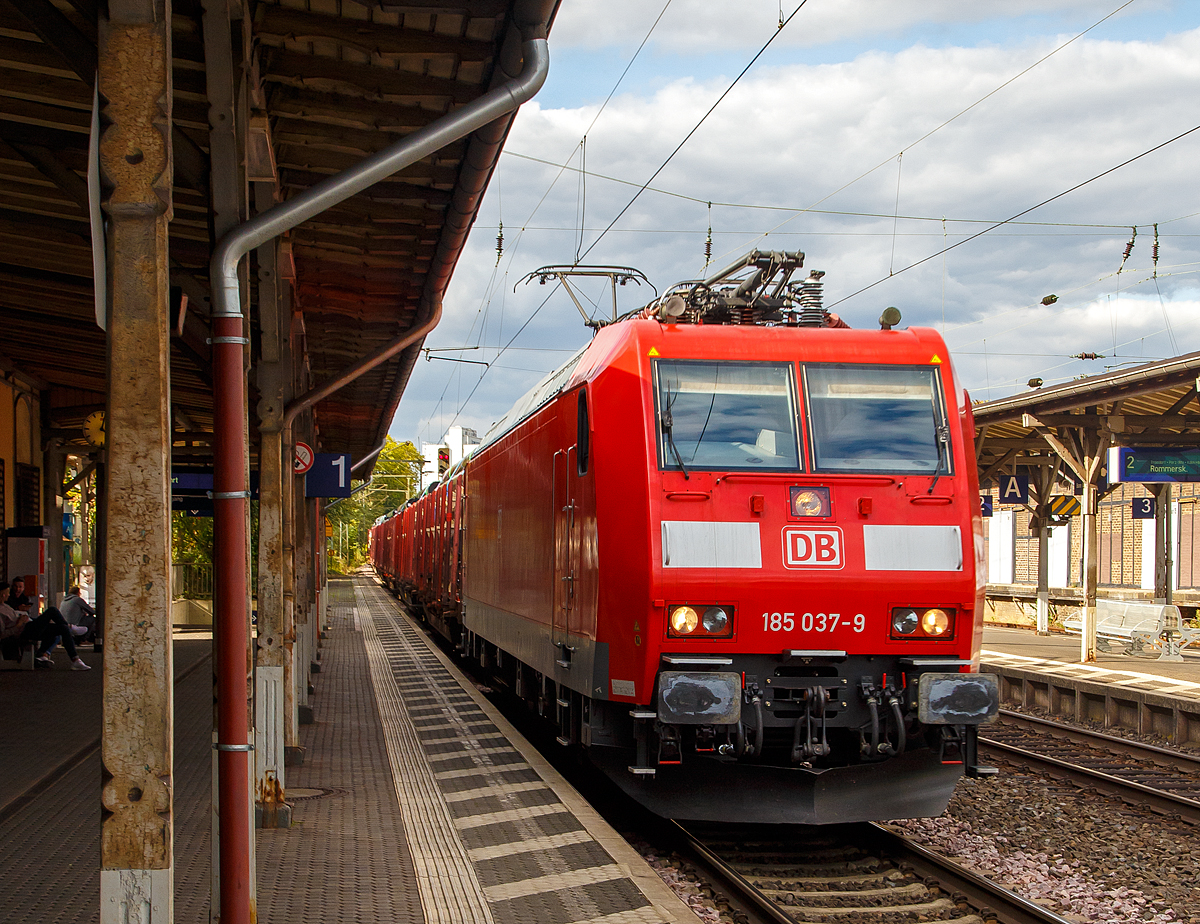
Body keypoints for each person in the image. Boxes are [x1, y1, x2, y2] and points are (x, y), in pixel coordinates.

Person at [0, 581, 90, 670]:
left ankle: (75, 659)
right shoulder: (1, 612)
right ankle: (71, 627)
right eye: (7, 593)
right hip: (24, 630)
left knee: (63, 628)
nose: (9, 595)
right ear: (3, 594)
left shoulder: (6, 606)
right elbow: (2, 634)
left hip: (28, 624)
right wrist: (19, 624)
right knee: (52, 610)